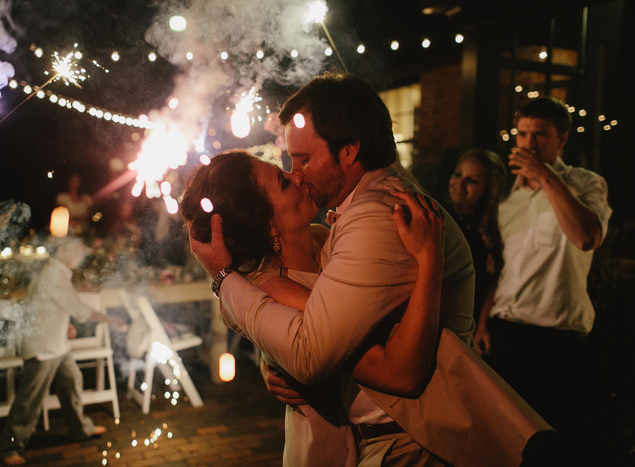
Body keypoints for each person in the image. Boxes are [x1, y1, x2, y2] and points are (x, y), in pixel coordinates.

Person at [189, 73, 551, 465]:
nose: (296, 172)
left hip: (412, 438)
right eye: (288, 166)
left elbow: (323, 354)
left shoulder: (378, 217)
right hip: (370, 439)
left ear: (349, 150)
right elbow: (302, 334)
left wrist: (226, 280)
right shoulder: (333, 230)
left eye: (305, 159)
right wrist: (274, 358)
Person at [183, 150, 446, 465]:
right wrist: (430, 259)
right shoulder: (276, 290)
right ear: (267, 224)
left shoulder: (323, 238)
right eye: (283, 182)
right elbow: (392, 368)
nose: (297, 176)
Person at [474, 97, 612, 454]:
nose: (528, 144)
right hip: (505, 329)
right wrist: (484, 321)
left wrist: (545, 176)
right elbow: (502, 266)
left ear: (561, 139)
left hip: (557, 336)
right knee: (500, 440)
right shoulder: (506, 194)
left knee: (549, 444)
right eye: (522, 134)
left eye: (540, 135)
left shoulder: (586, 183)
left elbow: (586, 237)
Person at [0, 237, 125, 466]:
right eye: (76, 251)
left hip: (57, 344)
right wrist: (110, 320)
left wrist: (65, 323)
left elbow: (51, 303)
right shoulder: (53, 273)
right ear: (64, 251)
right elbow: (77, 307)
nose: (80, 256)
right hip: (42, 345)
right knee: (29, 400)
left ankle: (80, 429)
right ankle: (9, 447)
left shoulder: (56, 272)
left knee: (72, 380)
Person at [446, 149, 507, 323]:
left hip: (474, 321)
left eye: (472, 180)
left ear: (489, 188)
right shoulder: (441, 215)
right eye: (458, 174)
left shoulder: (494, 228)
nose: (459, 183)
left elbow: (492, 284)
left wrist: (482, 327)